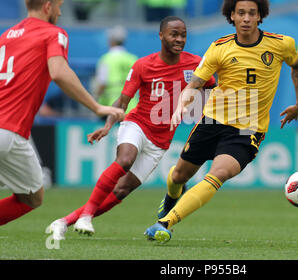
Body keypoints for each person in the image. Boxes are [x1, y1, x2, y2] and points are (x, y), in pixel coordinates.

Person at [144, 0, 298, 243]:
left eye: (252, 13)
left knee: (218, 173)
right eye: (240, 13)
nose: (246, 19)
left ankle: (165, 223)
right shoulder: (219, 48)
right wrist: (181, 105)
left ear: (260, 16)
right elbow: (195, 83)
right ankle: (169, 200)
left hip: (247, 129)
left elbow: (297, 67)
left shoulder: (281, 45)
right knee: (178, 176)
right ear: (231, 16)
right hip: (212, 121)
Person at [47, 16, 216, 240]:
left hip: (160, 142)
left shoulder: (194, 64)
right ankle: (86, 215)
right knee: (125, 159)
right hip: (137, 124)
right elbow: (122, 102)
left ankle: (63, 222)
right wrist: (108, 125)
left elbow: (213, 88)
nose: (179, 39)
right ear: (161, 36)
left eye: (183, 35)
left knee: (121, 191)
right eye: (174, 34)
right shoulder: (143, 65)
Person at [0, 0, 124, 226]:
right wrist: (97, 107)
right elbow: (58, 71)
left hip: (11, 130)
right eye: (58, 7)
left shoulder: (6, 37)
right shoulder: (53, 33)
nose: (59, 12)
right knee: (31, 197)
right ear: (47, 6)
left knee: (32, 194)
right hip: (9, 130)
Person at [94, 25, 139, 113]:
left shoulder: (106, 59)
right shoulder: (133, 58)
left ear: (111, 41)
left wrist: (95, 99)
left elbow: (102, 82)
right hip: (132, 105)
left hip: (111, 106)